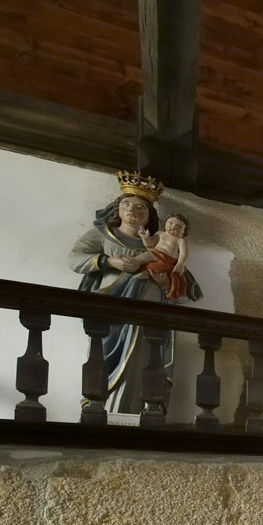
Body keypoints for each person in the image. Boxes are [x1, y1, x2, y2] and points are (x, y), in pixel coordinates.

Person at [68, 170, 178, 412]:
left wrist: (163, 283)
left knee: (146, 358)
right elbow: (75, 259)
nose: (132, 211)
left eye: (141, 208)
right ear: (117, 209)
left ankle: (144, 409)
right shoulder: (103, 235)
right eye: (127, 204)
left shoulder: (161, 245)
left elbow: (179, 281)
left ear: (149, 216)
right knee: (105, 358)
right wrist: (108, 261)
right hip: (111, 309)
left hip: (150, 311)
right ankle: (99, 406)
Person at [139, 212, 201, 302]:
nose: (173, 227)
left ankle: (145, 272)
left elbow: (184, 253)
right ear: (165, 224)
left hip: (167, 260)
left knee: (155, 266)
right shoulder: (160, 234)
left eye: (179, 226)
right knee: (147, 259)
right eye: (170, 223)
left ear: (184, 232)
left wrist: (180, 264)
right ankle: (136, 264)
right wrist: (144, 237)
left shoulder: (180, 240)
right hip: (155, 254)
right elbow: (150, 244)